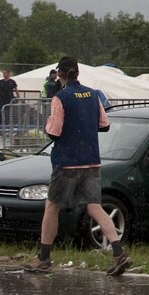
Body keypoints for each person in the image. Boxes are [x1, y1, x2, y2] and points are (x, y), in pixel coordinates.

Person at [22, 56, 131, 276]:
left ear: (60, 74)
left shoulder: (60, 97)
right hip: (91, 161)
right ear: (78, 72)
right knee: (94, 206)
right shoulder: (93, 94)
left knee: (52, 206)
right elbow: (105, 125)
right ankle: (119, 252)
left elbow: (54, 131)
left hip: (67, 162)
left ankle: (43, 258)